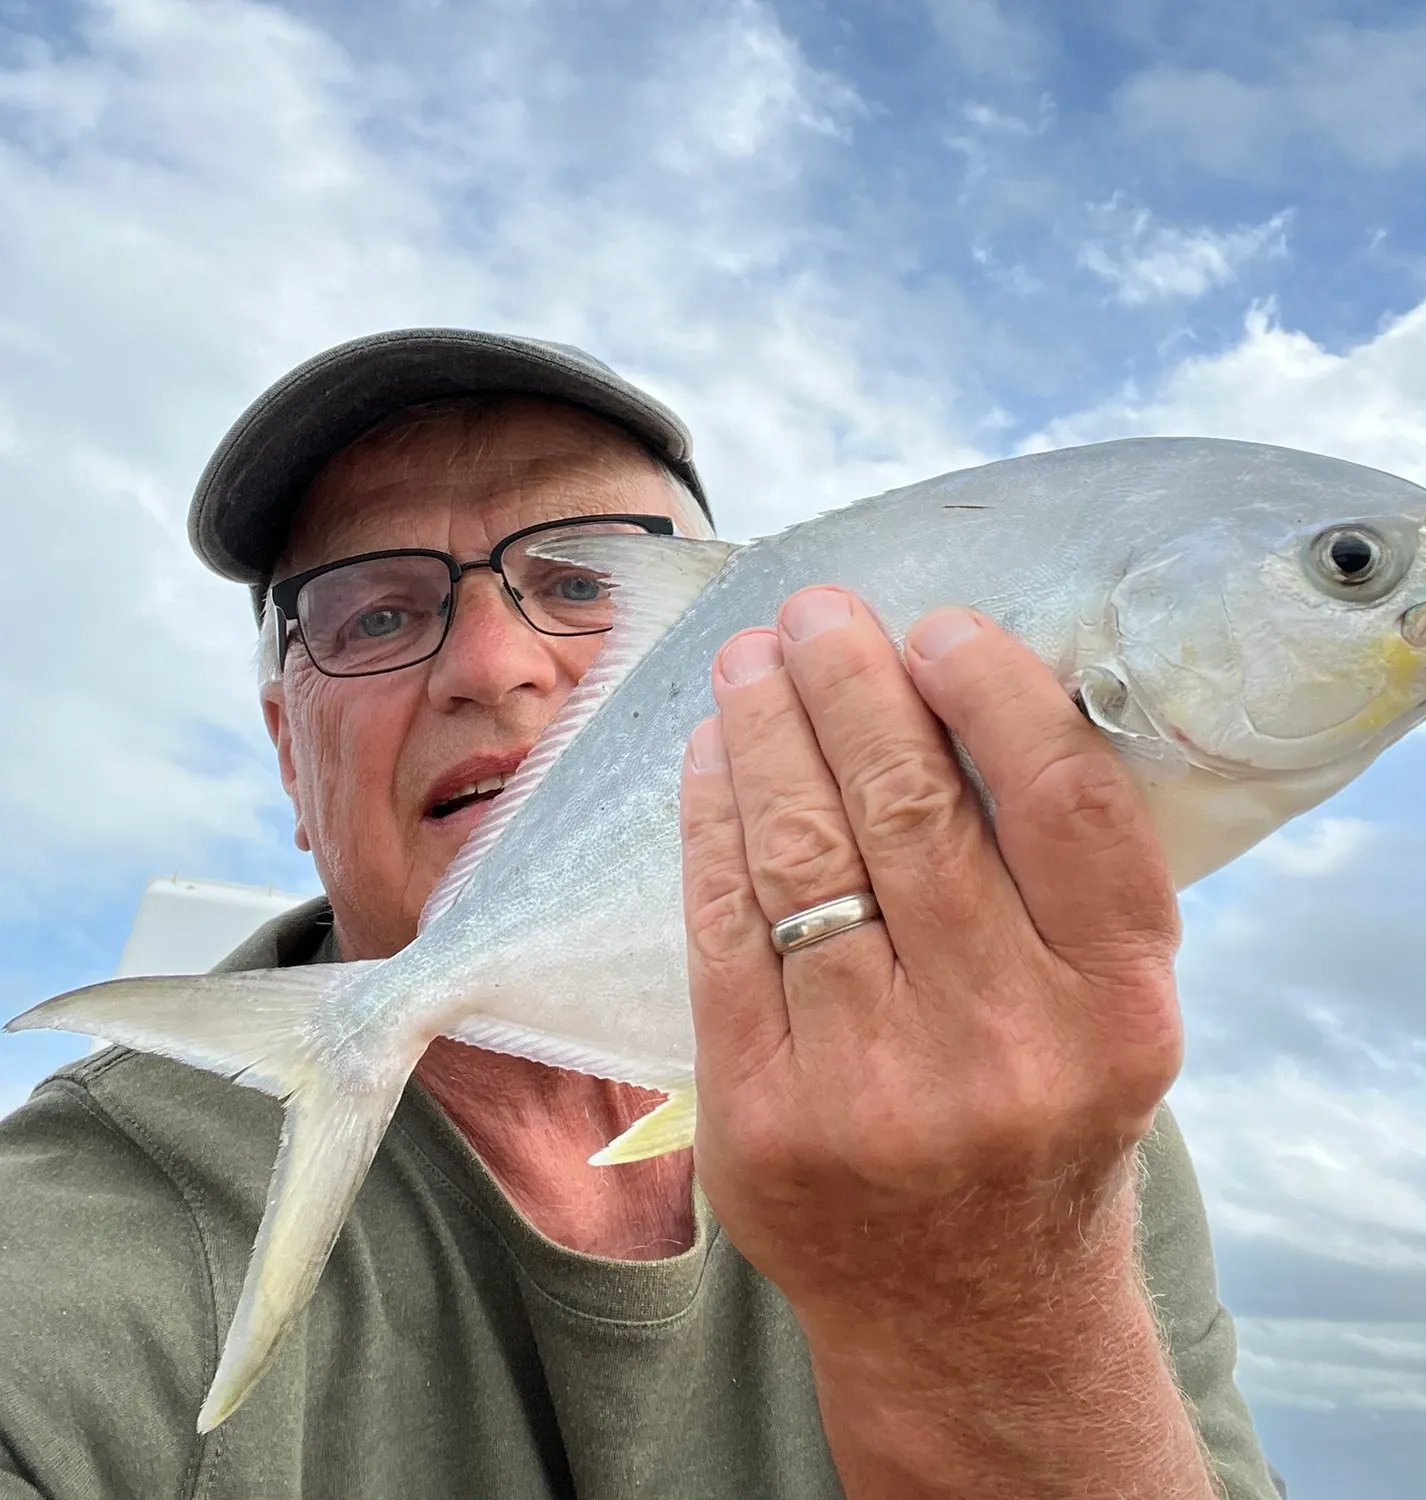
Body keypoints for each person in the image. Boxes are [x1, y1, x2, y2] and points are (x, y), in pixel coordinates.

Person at [0, 329, 1287, 1498]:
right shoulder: (62, 1255)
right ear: (291, 757)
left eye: (584, 588)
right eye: (375, 612)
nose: (495, 666)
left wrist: (1007, 1306)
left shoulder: (1037, 1111)